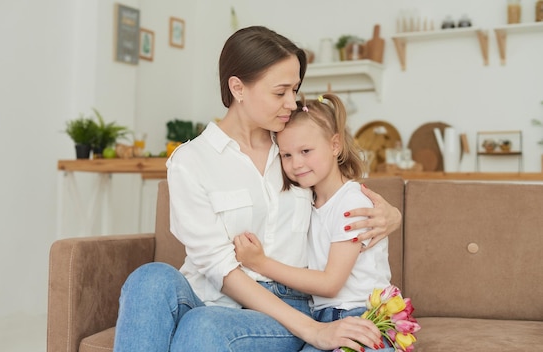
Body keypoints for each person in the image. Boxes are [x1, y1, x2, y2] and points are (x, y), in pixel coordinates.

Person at [113, 26, 401, 352]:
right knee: (148, 279)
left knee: (204, 326)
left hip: (284, 309)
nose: (292, 103)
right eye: (280, 93)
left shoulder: (295, 149)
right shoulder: (190, 161)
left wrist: (392, 215)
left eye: (295, 89)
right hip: (208, 298)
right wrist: (316, 332)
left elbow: (342, 192)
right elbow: (218, 267)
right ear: (238, 88)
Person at [234, 93, 394, 352]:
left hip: (363, 318)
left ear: (335, 145)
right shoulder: (305, 201)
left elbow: (330, 283)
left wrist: (259, 262)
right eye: (286, 155)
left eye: (306, 151)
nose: (296, 164)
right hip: (323, 321)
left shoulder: (351, 202)